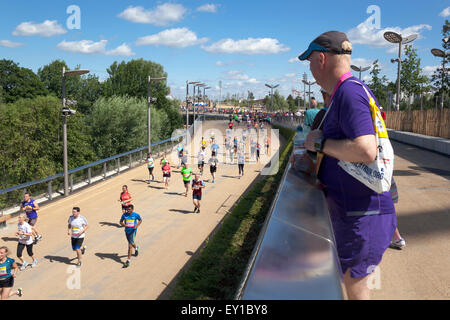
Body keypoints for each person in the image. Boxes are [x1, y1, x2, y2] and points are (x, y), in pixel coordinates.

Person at [300, 30, 396, 300]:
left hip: (362, 215)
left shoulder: (348, 93)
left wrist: (318, 144)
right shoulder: (350, 90)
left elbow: (365, 150)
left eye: (309, 63)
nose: (310, 70)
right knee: (352, 286)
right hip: (357, 212)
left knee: (356, 291)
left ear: (321, 58)